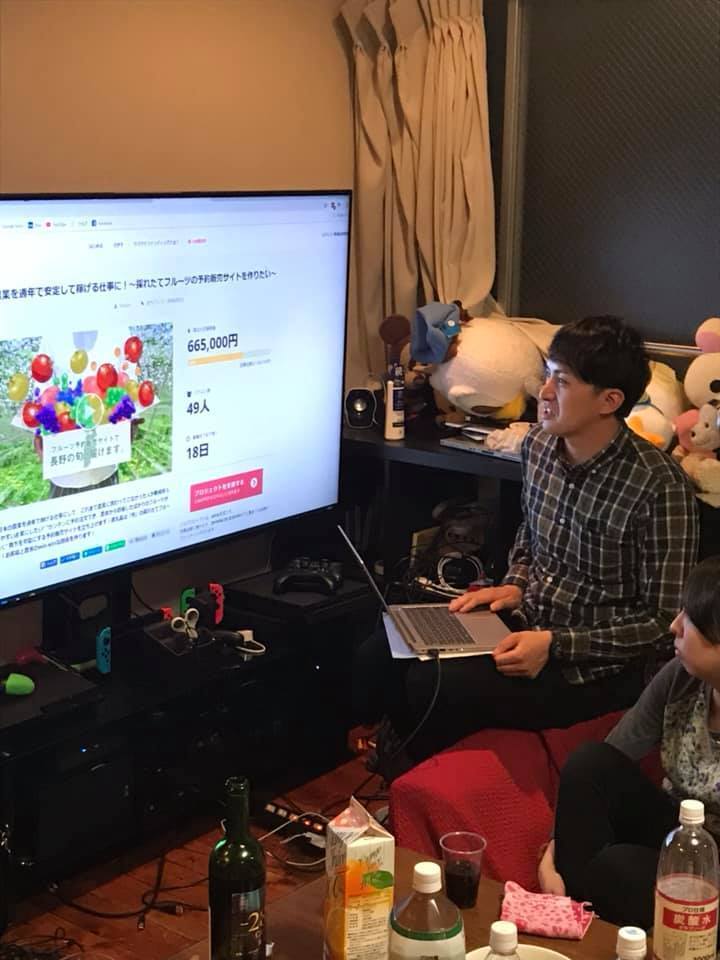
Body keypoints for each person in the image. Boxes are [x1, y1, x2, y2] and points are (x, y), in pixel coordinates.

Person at [354, 315, 699, 778]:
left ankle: (417, 784)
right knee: (383, 646)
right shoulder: (538, 445)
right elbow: (530, 537)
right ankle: (401, 772)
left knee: (431, 682)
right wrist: (514, 585)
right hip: (525, 624)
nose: (545, 392)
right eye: (548, 374)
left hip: (595, 667)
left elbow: (663, 625)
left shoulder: (659, 486)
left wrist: (555, 645)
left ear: (610, 400)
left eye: (563, 381)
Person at [538, 555, 720, 928]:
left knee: (617, 869)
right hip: (678, 831)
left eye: (690, 619)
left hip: (713, 871)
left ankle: (587, 905)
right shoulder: (681, 677)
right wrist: (555, 851)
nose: (674, 625)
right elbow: (614, 755)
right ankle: (572, 908)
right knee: (590, 762)